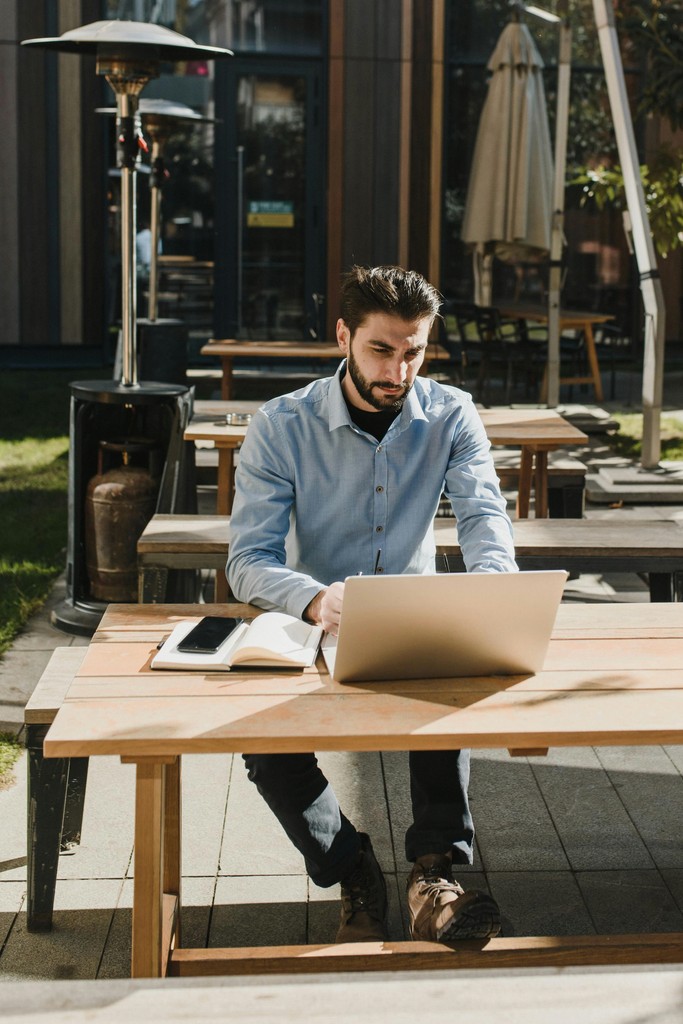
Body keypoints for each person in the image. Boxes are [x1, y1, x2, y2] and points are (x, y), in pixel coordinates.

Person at [227, 264, 517, 944]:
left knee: (447, 700)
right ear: (343, 338)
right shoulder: (281, 424)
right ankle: (350, 862)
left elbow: (483, 515)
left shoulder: (449, 413)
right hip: (306, 624)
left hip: (410, 614)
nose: (397, 369)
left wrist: (496, 589)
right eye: (380, 350)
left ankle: (432, 874)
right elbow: (247, 561)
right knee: (264, 752)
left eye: (412, 350)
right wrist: (315, 601)